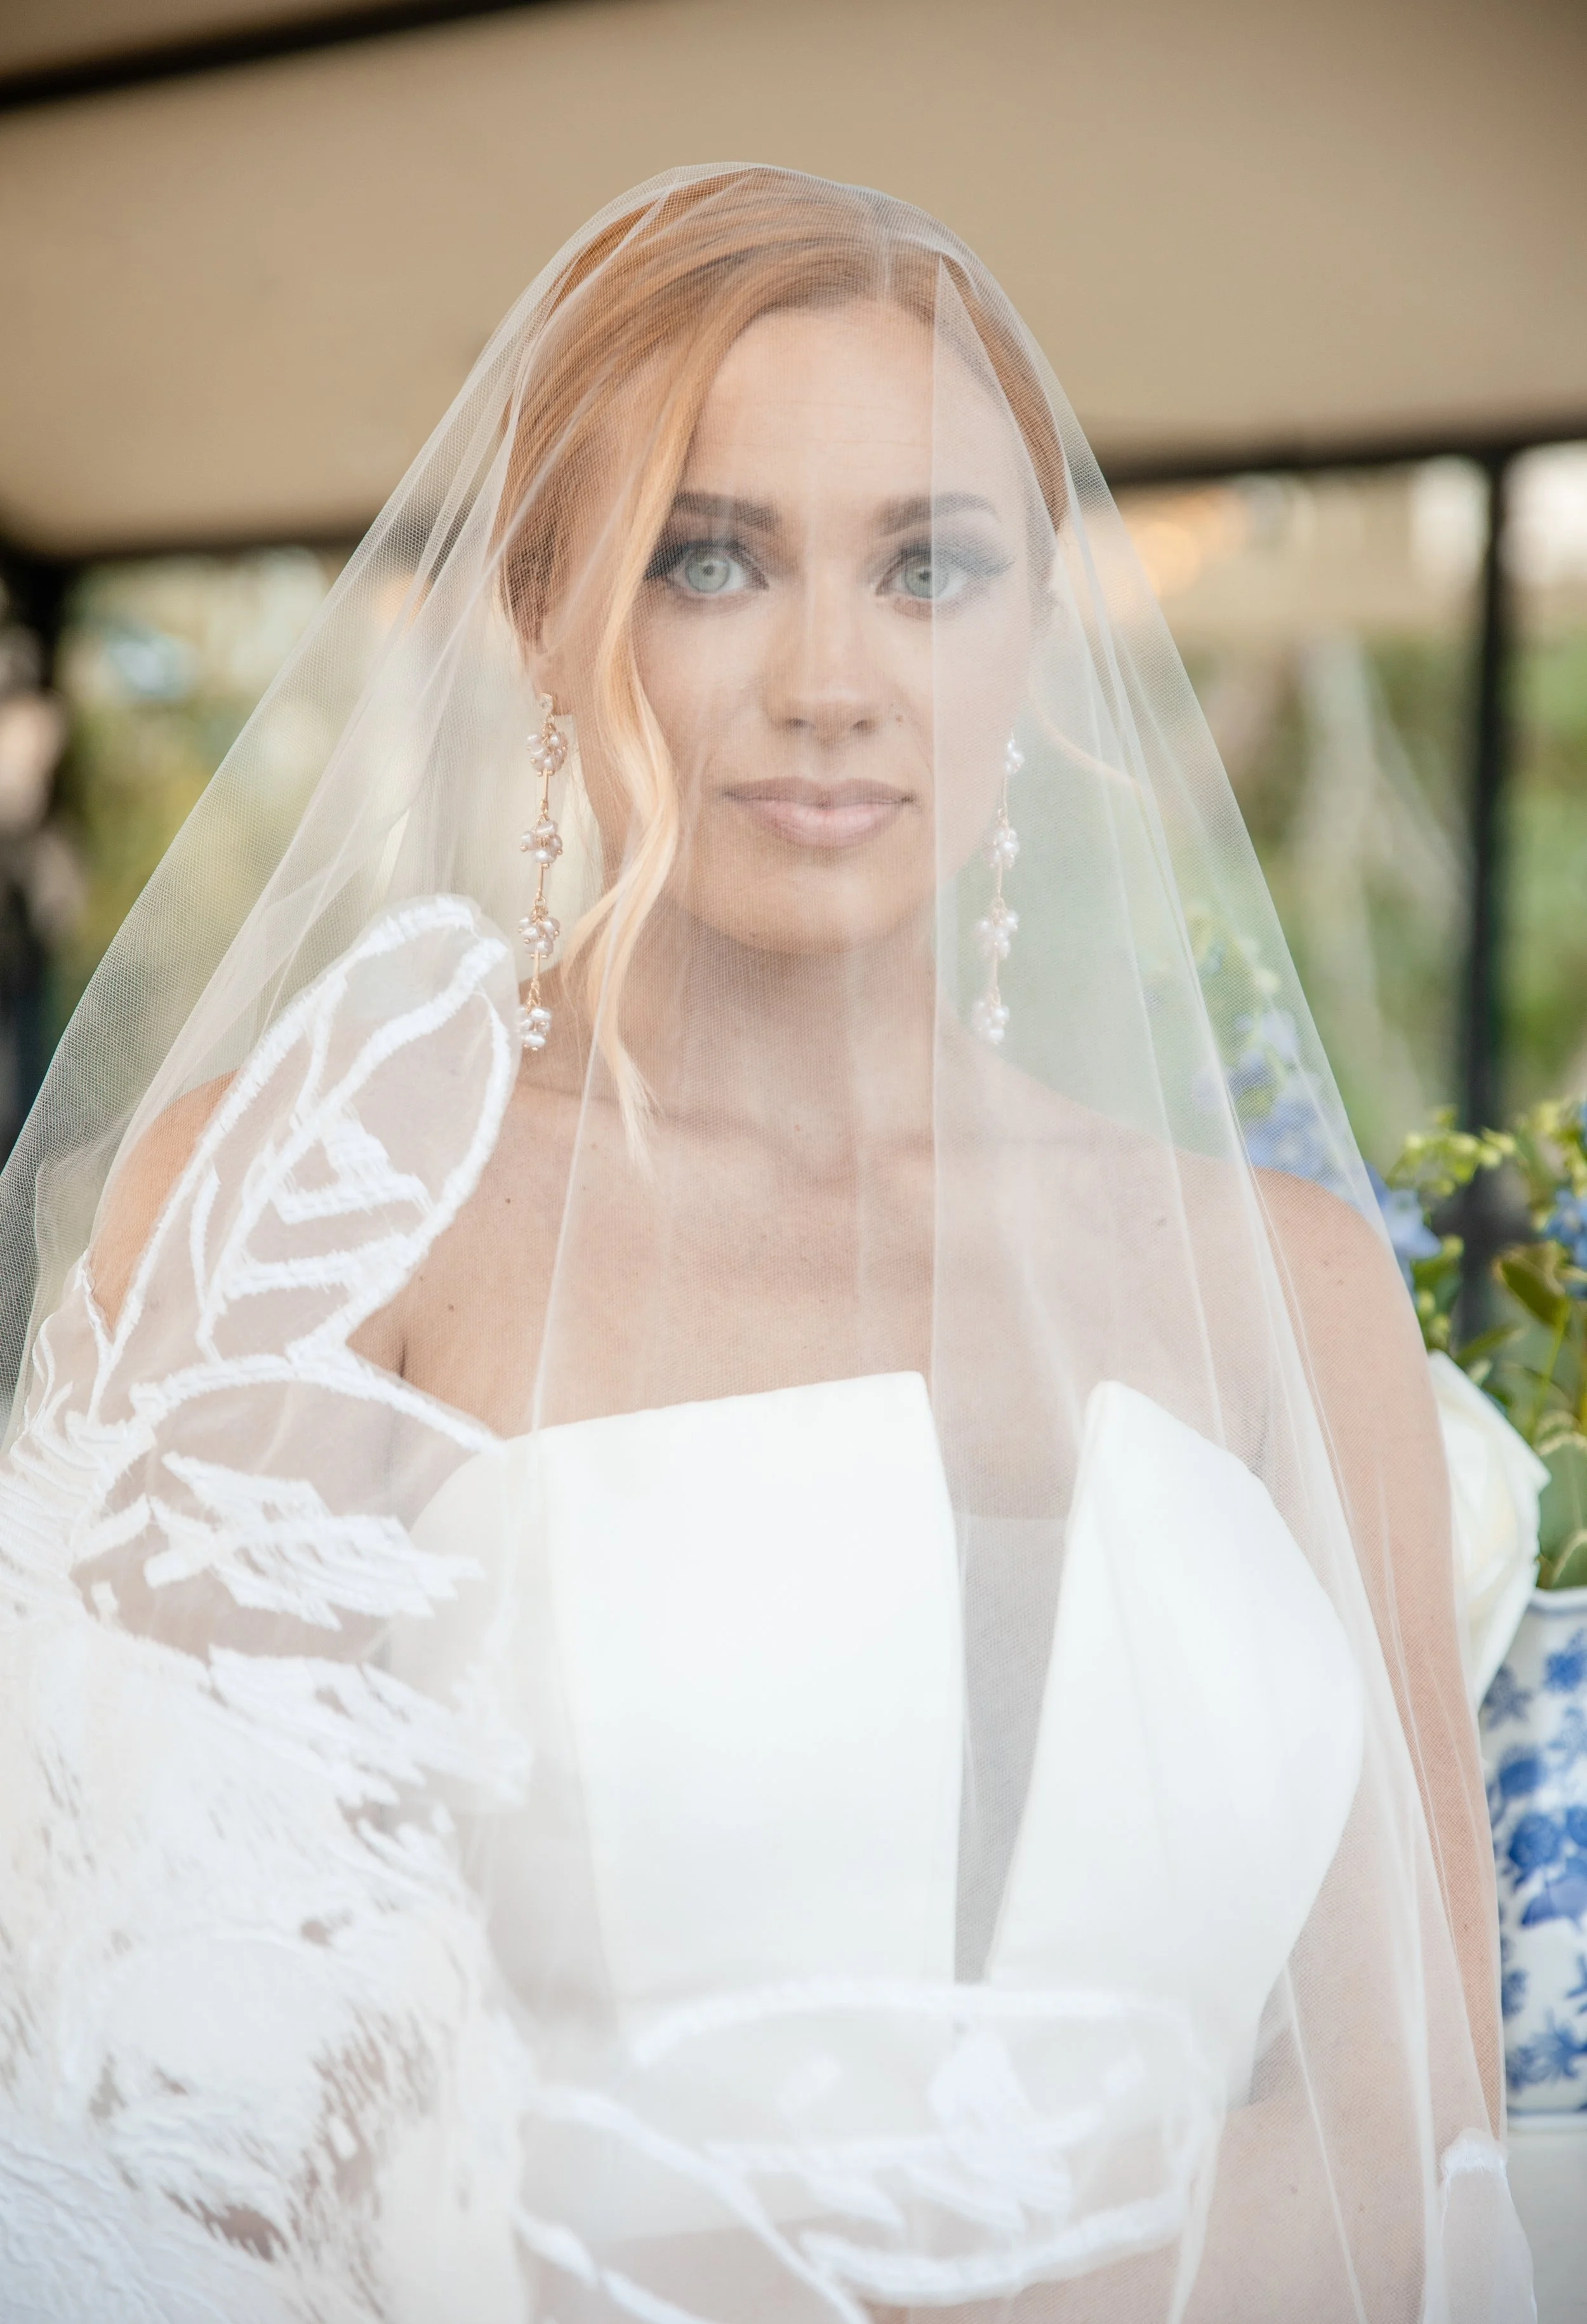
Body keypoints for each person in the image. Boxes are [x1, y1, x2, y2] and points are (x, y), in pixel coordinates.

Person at [0, 166, 1532, 2321]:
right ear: (543, 612)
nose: (832, 679)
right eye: (709, 558)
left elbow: (1418, 2124)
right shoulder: (323, 1212)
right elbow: (154, 2114)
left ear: (1033, 628)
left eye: (930, 567)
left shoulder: (1289, 1282)